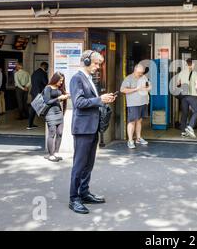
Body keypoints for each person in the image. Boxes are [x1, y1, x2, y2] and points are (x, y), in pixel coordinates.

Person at [69, 50, 116, 214]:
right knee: (79, 165)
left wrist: (103, 99)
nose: (97, 67)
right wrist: (99, 99)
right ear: (86, 61)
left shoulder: (89, 79)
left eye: (99, 64)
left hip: (92, 128)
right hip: (83, 129)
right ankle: (74, 198)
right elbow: (79, 102)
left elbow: (91, 102)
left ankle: (84, 192)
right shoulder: (77, 78)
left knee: (88, 164)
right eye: (96, 63)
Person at [120, 63, 151, 149]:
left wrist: (148, 90)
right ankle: (130, 140)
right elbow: (122, 90)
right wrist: (136, 89)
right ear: (135, 70)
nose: (141, 74)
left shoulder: (143, 77)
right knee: (132, 122)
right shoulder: (128, 78)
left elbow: (149, 86)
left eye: (142, 72)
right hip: (133, 104)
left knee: (139, 121)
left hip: (143, 102)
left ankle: (138, 138)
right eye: (139, 72)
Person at [43, 72, 69, 162]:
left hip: (59, 113)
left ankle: (56, 152)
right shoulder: (48, 88)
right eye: (60, 80)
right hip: (50, 114)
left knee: (60, 133)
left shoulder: (59, 88)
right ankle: (51, 154)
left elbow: (62, 96)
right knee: (52, 133)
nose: (61, 82)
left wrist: (66, 96)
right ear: (55, 79)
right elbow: (47, 101)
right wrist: (59, 98)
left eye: (62, 81)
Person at [177, 58, 197, 138]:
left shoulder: (181, 73)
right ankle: (190, 127)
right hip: (192, 95)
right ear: (192, 64)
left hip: (183, 96)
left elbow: (178, 84)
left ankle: (183, 132)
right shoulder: (195, 73)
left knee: (184, 113)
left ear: (186, 64)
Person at [27, 62, 49, 130]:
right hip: (39, 92)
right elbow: (45, 83)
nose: (47, 69)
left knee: (34, 108)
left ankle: (30, 124)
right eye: (47, 67)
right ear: (44, 66)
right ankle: (48, 124)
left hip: (34, 92)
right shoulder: (43, 73)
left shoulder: (35, 72)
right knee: (42, 107)